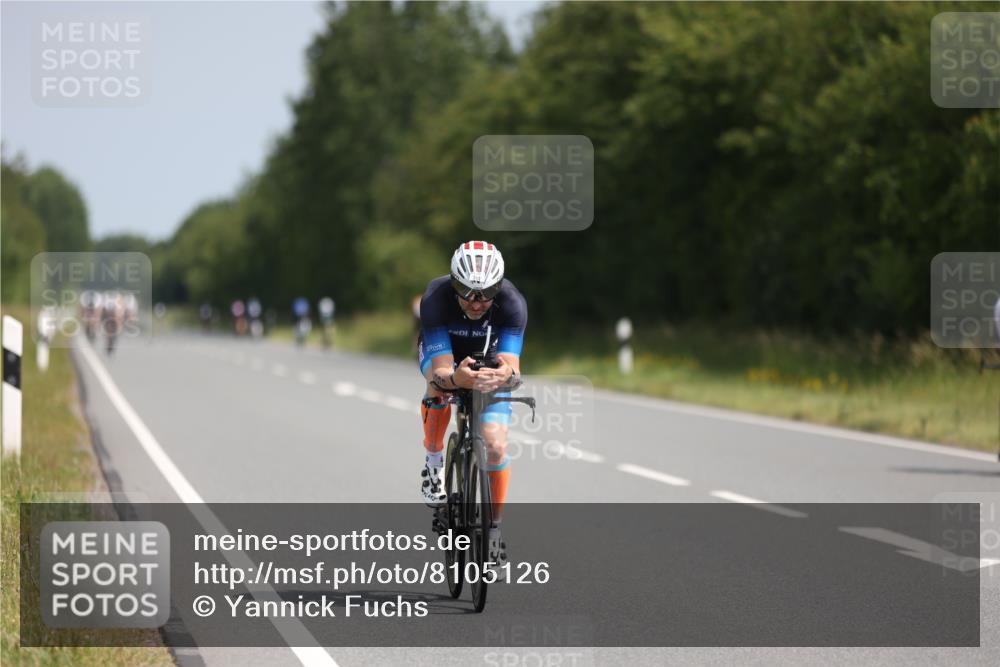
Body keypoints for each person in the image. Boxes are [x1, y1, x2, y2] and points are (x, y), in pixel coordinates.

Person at [416, 241, 526, 563]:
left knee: (495, 445)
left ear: (499, 286)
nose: (477, 303)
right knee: (437, 391)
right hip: (446, 354)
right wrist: (454, 380)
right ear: (454, 284)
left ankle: (494, 530)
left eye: (487, 293)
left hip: (488, 360)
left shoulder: (512, 303)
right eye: (468, 292)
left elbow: (512, 368)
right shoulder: (435, 299)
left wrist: (505, 376)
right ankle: (433, 463)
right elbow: (440, 373)